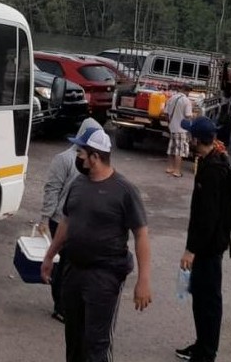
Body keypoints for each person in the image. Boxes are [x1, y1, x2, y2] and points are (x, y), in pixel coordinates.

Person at [40, 128, 152, 362]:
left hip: (105, 276)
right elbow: (66, 222)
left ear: (95, 156)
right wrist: (50, 256)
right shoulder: (78, 184)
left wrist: (143, 281)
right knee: (73, 338)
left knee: (97, 344)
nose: (77, 157)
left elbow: (141, 235)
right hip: (73, 271)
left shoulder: (124, 190)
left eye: (81, 152)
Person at [176, 116, 231, 362]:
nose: (189, 139)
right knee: (202, 298)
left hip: (208, 248)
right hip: (210, 245)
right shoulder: (213, 160)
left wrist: (191, 249)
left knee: (208, 301)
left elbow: (206, 218)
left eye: (191, 136)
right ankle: (202, 345)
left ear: (197, 139)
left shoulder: (212, 170)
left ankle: (206, 353)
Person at [38, 118, 103, 323]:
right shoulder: (64, 159)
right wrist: (44, 219)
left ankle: (69, 304)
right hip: (61, 220)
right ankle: (61, 306)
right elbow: (52, 190)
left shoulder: (95, 162)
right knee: (64, 265)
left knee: (72, 266)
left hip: (83, 222)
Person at [165, 83, 193, 177]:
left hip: (172, 127)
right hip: (181, 129)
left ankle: (170, 168)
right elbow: (188, 116)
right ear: (187, 91)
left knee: (171, 148)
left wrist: (169, 123)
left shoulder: (171, 98)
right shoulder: (186, 101)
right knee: (179, 151)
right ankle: (177, 171)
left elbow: (166, 113)